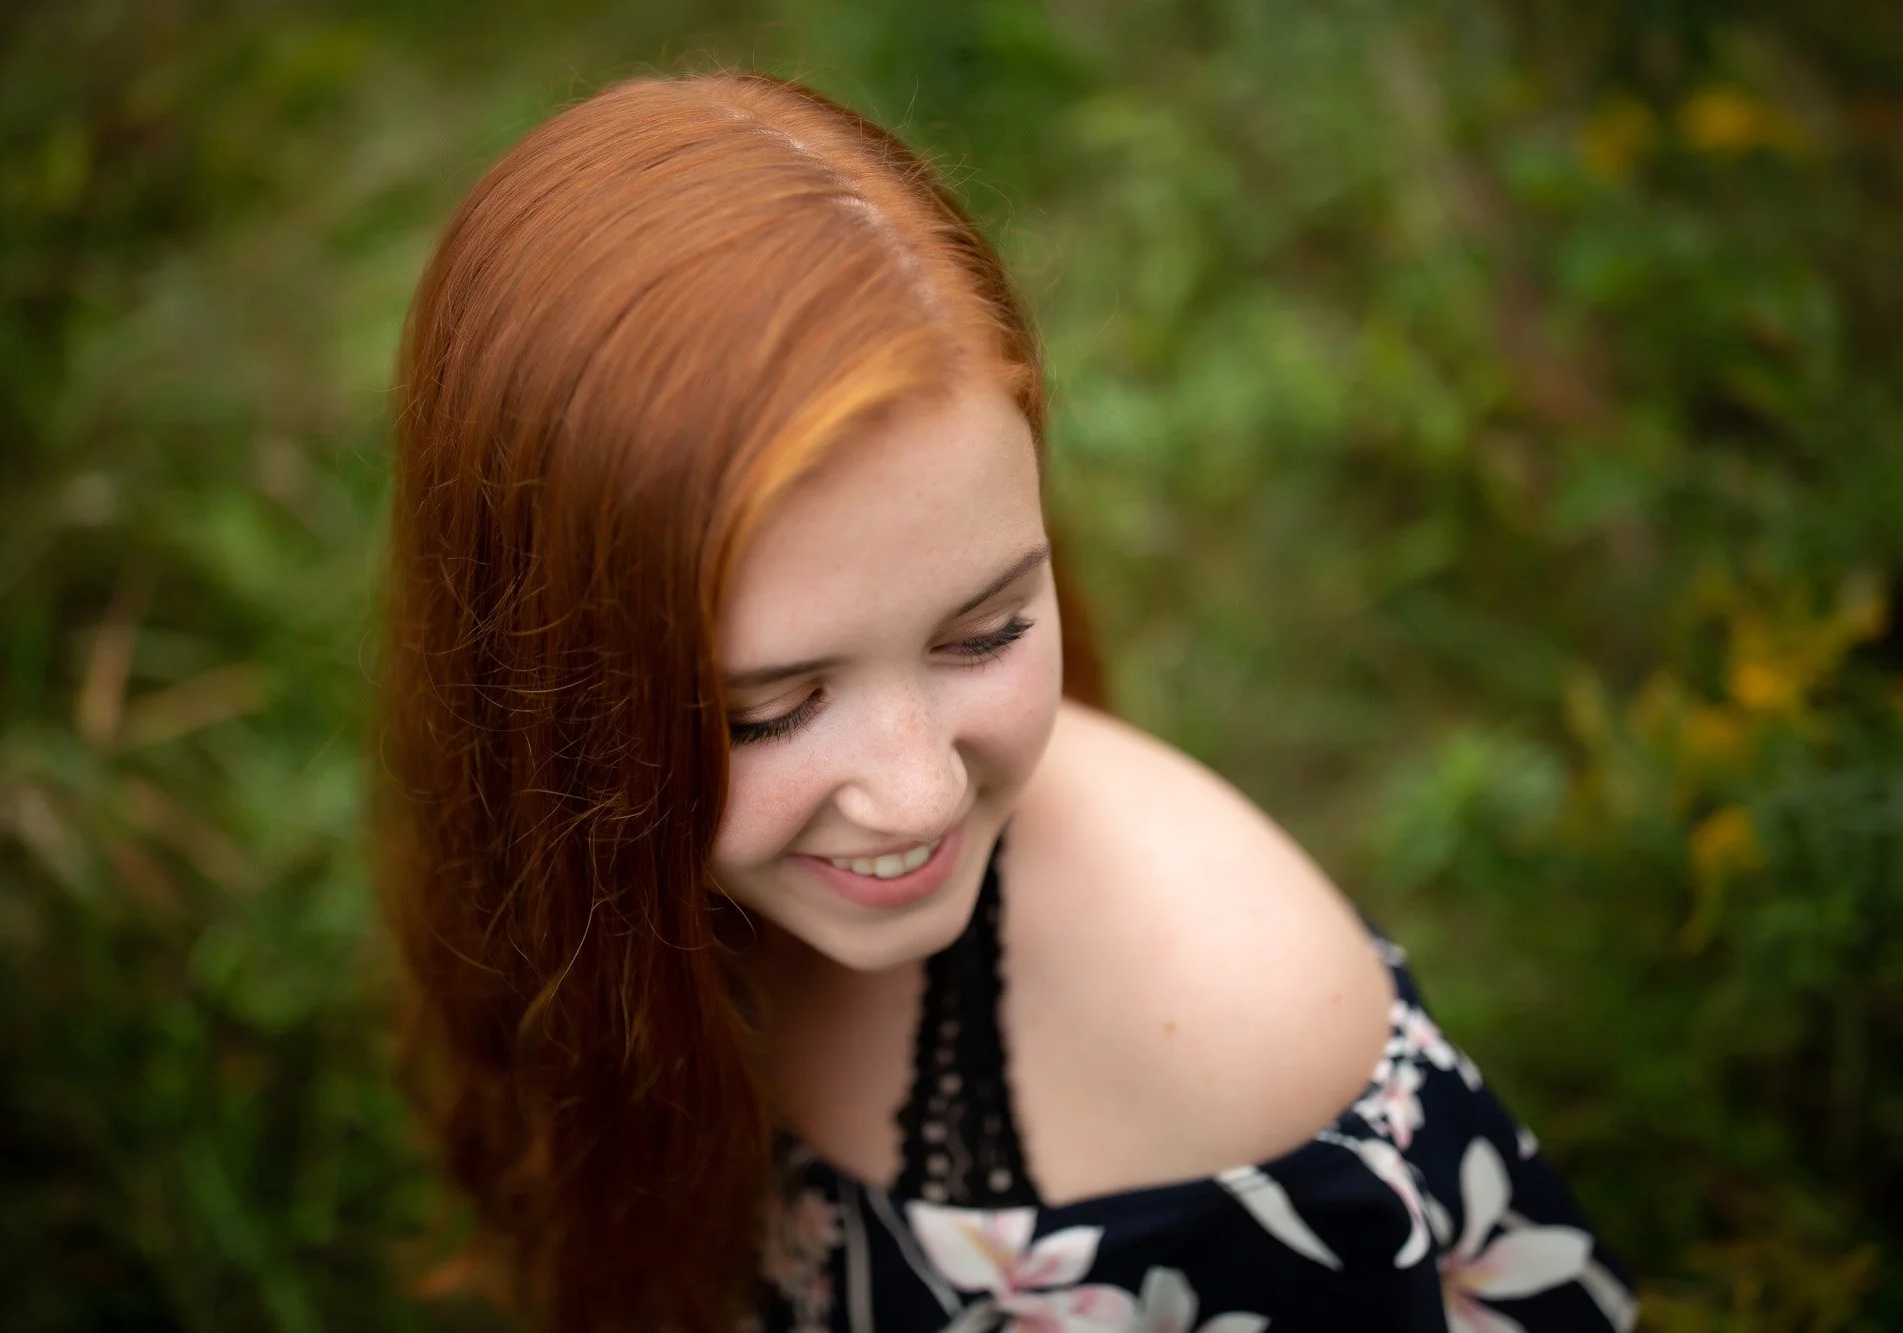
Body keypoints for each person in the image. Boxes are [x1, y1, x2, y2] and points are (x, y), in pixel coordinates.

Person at [377, 71, 1635, 1333]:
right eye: (766, 711)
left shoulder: (1236, 1061)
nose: (921, 791)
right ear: (536, 699)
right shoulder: (562, 890)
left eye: (984, 632)